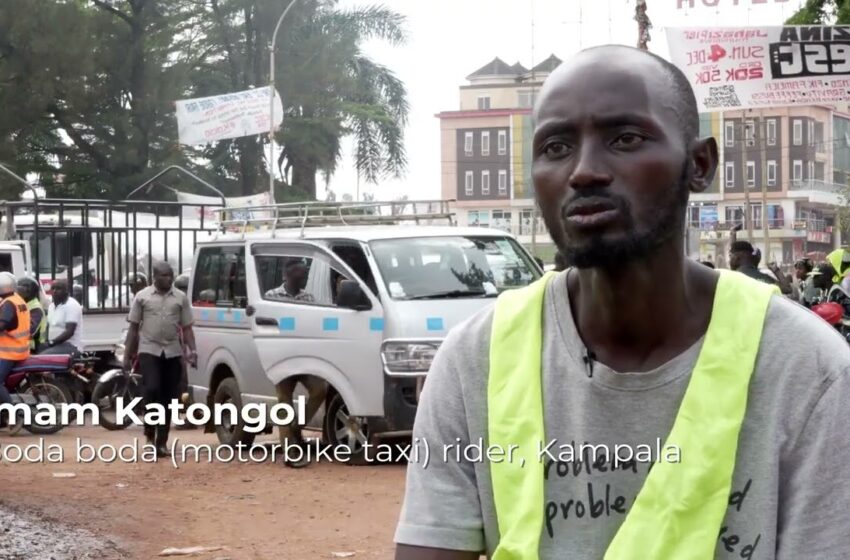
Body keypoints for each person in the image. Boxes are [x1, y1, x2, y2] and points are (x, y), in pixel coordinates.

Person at [394, 45, 850, 559]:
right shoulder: (474, 361)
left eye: (625, 138)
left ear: (699, 164)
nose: (584, 171)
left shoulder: (810, 372)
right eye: (556, 147)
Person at [124, 262, 197, 457]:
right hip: (149, 349)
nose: (168, 279)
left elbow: (187, 328)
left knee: (169, 397)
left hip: (173, 351)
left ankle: (161, 441)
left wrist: (193, 350)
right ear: (154, 277)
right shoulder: (142, 297)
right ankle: (149, 430)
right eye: (164, 275)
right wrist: (126, 355)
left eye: (170, 275)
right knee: (152, 388)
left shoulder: (181, 298)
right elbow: (133, 328)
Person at [0, 272, 30, 427]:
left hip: (9, 352)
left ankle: (14, 417)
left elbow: (3, 324)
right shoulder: (17, 300)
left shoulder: (8, 304)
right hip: (20, 348)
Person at [42, 279, 83, 355]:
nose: (54, 291)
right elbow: (48, 326)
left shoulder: (72, 305)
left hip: (70, 346)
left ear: (66, 291)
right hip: (55, 345)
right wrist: (45, 342)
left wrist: (51, 342)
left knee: (42, 357)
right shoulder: (51, 306)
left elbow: (69, 332)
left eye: (58, 289)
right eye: (53, 288)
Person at [17, 277, 46, 351]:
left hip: (32, 349)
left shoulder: (35, 308)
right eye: (21, 286)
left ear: (34, 291)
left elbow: (29, 330)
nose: (23, 289)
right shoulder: (21, 304)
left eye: (27, 287)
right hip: (19, 347)